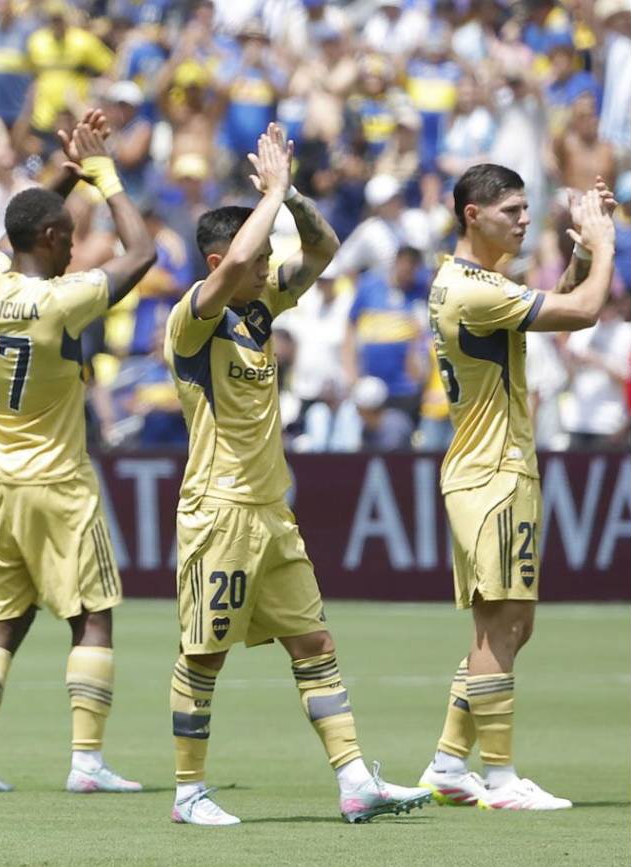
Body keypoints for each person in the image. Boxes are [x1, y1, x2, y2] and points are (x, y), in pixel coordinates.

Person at [163, 123, 431, 826]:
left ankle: (353, 782)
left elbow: (323, 249)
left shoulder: (257, 309)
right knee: (205, 656)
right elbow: (232, 268)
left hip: (271, 513)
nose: (269, 269)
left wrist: (293, 197)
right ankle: (188, 794)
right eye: (256, 261)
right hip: (217, 511)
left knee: (314, 643)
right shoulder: (193, 319)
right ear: (223, 260)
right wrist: (272, 194)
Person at [0, 111, 155, 794]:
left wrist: (67, 169)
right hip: (59, 480)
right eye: (68, 237)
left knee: (4, 617)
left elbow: (27, 223)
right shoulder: (59, 302)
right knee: (92, 615)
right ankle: (87, 763)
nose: (77, 248)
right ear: (51, 237)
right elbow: (143, 254)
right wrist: (106, 175)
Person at [418, 164, 616, 811]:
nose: (524, 220)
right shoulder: (475, 290)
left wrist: (581, 251)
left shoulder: (469, 283)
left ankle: (450, 763)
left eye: (528, 209)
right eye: (512, 210)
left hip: (490, 469)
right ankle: (500, 781)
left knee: (509, 627)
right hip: (493, 473)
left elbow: (550, 308)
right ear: (473, 215)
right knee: (499, 628)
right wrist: (608, 240)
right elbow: (583, 312)